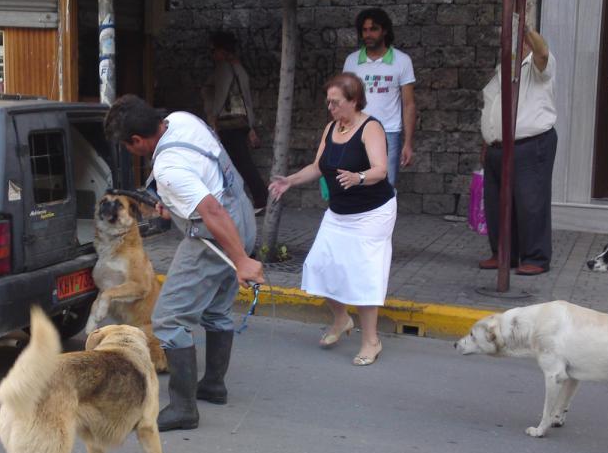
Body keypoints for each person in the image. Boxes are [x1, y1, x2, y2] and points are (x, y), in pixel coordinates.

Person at [105, 94, 265, 431]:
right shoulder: (182, 117)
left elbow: (211, 211)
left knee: (167, 318)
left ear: (136, 140)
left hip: (217, 234)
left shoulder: (167, 168)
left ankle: (183, 408)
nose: (129, 152)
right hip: (244, 213)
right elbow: (206, 174)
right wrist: (173, 201)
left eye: (127, 146)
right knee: (217, 309)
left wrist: (242, 260)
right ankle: (213, 385)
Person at [268, 73, 396, 367]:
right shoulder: (331, 128)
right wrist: (291, 181)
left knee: (364, 275)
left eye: (336, 102)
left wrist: (359, 177)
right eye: (328, 102)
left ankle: (371, 341)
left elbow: (381, 170)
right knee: (318, 266)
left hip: (372, 213)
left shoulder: (370, 128)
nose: (330, 107)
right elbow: (317, 166)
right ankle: (341, 319)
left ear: (353, 101)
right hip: (339, 212)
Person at [478, 26, 557, 276]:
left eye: (514, 40)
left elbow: (542, 53)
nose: (508, 45)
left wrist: (526, 30)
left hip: (529, 144)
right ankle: (503, 254)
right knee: (497, 204)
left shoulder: (536, 66)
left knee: (530, 202)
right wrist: (488, 141)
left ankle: (536, 256)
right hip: (498, 147)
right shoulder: (502, 70)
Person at [342, 7, 416, 188]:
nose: (368, 34)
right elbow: (344, 101)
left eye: (373, 29)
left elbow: (409, 105)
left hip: (389, 133)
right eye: (364, 30)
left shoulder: (402, 60)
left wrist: (407, 143)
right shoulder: (351, 61)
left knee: (386, 186)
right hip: (356, 132)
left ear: (385, 31)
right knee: (354, 183)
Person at [202, 31, 267, 215]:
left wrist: (213, 116)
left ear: (221, 50)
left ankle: (260, 198)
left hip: (228, 122)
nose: (212, 54)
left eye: (214, 50)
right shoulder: (238, 67)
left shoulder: (224, 67)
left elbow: (221, 94)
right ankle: (256, 197)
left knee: (237, 162)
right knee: (241, 161)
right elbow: (246, 99)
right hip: (241, 122)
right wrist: (251, 125)